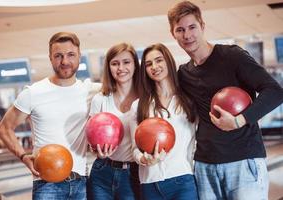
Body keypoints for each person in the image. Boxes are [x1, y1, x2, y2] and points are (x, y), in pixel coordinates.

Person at [167, 1, 283, 199]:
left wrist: (239, 120)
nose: (187, 35)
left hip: (243, 161)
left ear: (202, 26)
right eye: (180, 30)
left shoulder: (232, 56)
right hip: (205, 166)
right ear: (173, 34)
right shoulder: (184, 74)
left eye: (192, 27)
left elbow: (275, 92)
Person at [0, 32, 101, 200]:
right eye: (58, 56)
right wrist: (23, 156)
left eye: (70, 55)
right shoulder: (33, 92)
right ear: (50, 58)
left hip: (80, 182)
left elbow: (125, 88)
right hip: (46, 184)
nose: (65, 61)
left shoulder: (91, 90)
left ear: (79, 56)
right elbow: (4, 128)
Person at [130, 43, 198, 200]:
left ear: (168, 61)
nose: (154, 66)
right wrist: (144, 159)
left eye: (159, 60)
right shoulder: (139, 106)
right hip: (150, 182)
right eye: (148, 64)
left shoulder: (189, 100)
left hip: (183, 179)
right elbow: (135, 148)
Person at [88, 43, 141, 200]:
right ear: (108, 67)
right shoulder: (100, 99)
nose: (120, 68)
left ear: (135, 65)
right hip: (102, 171)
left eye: (126, 62)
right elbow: (91, 138)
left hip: (134, 173)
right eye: (115, 63)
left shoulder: (145, 99)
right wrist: (96, 151)